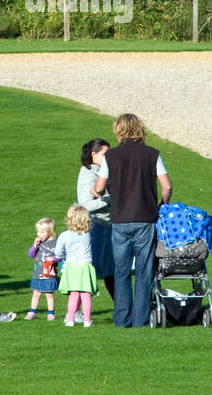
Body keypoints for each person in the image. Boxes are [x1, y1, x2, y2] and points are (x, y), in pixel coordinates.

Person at [92, 114, 171, 329]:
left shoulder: (112, 156)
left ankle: (122, 319)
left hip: (120, 220)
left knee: (121, 271)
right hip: (145, 218)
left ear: (119, 131)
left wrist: (98, 192)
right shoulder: (152, 154)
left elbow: (99, 188)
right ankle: (141, 320)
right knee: (144, 272)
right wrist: (162, 205)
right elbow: (166, 186)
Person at [77, 138, 116, 297]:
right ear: (93, 154)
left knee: (110, 271)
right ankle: (78, 312)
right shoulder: (89, 174)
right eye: (105, 154)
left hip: (105, 225)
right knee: (92, 270)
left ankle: (122, 308)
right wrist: (110, 199)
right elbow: (85, 204)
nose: (109, 158)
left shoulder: (99, 171)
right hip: (96, 226)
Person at [55, 204, 98, 327]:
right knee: (86, 295)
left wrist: (64, 257)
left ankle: (70, 320)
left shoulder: (64, 235)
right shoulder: (88, 233)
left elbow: (57, 253)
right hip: (85, 266)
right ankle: (87, 320)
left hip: (71, 266)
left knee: (73, 295)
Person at [26, 217, 59, 321]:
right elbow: (31, 255)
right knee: (36, 293)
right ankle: (32, 312)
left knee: (49, 294)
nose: (39, 234)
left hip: (49, 274)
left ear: (49, 232)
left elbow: (61, 256)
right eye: (38, 232)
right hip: (38, 273)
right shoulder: (39, 242)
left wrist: (53, 259)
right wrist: (34, 245)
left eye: (42, 232)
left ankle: (51, 313)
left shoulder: (56, 242)